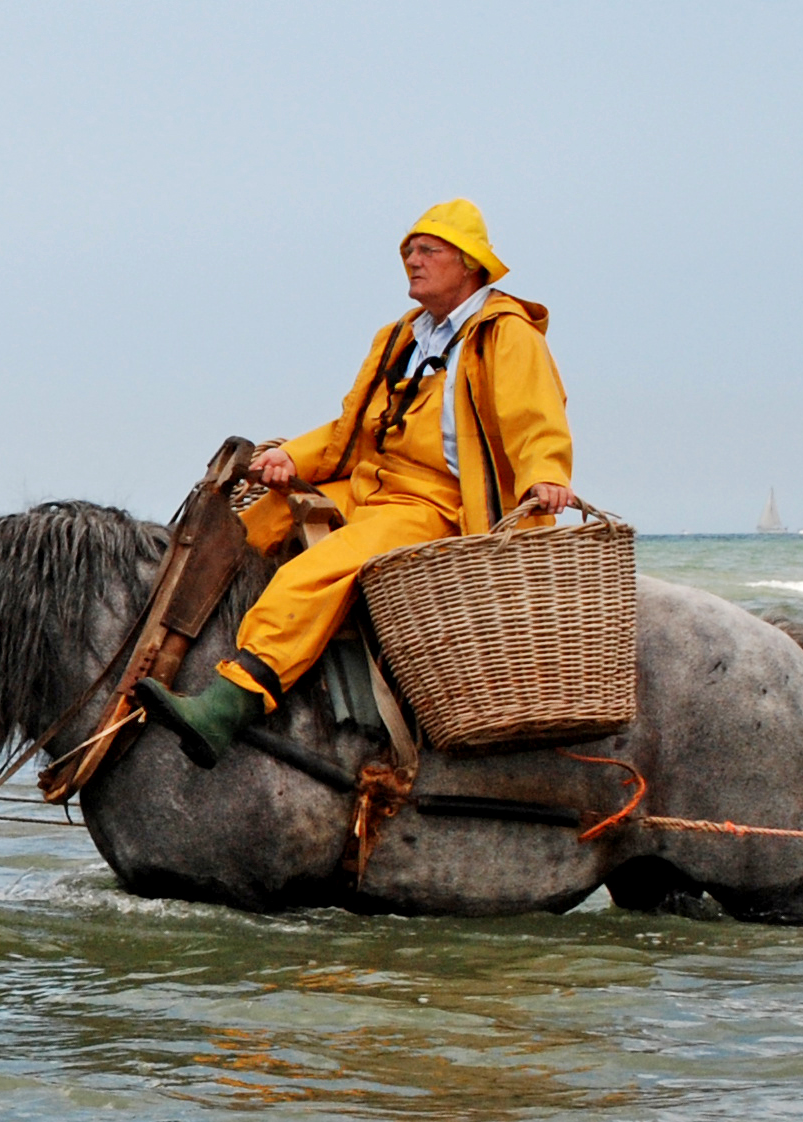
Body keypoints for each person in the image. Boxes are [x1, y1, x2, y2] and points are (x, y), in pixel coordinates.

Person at [140, 201, 581, 765]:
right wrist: (288, 458)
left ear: (469, 264)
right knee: (250, 525)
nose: (412, 262)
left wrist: (546, 476)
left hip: (438, 500)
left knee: (323, 566)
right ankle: (177, 648)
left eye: (428, 251)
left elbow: (536, 417)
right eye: (408, 252)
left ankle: (233, 700)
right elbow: (351, 429)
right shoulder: (401, 336)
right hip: (373, 481)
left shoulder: (505, 334)